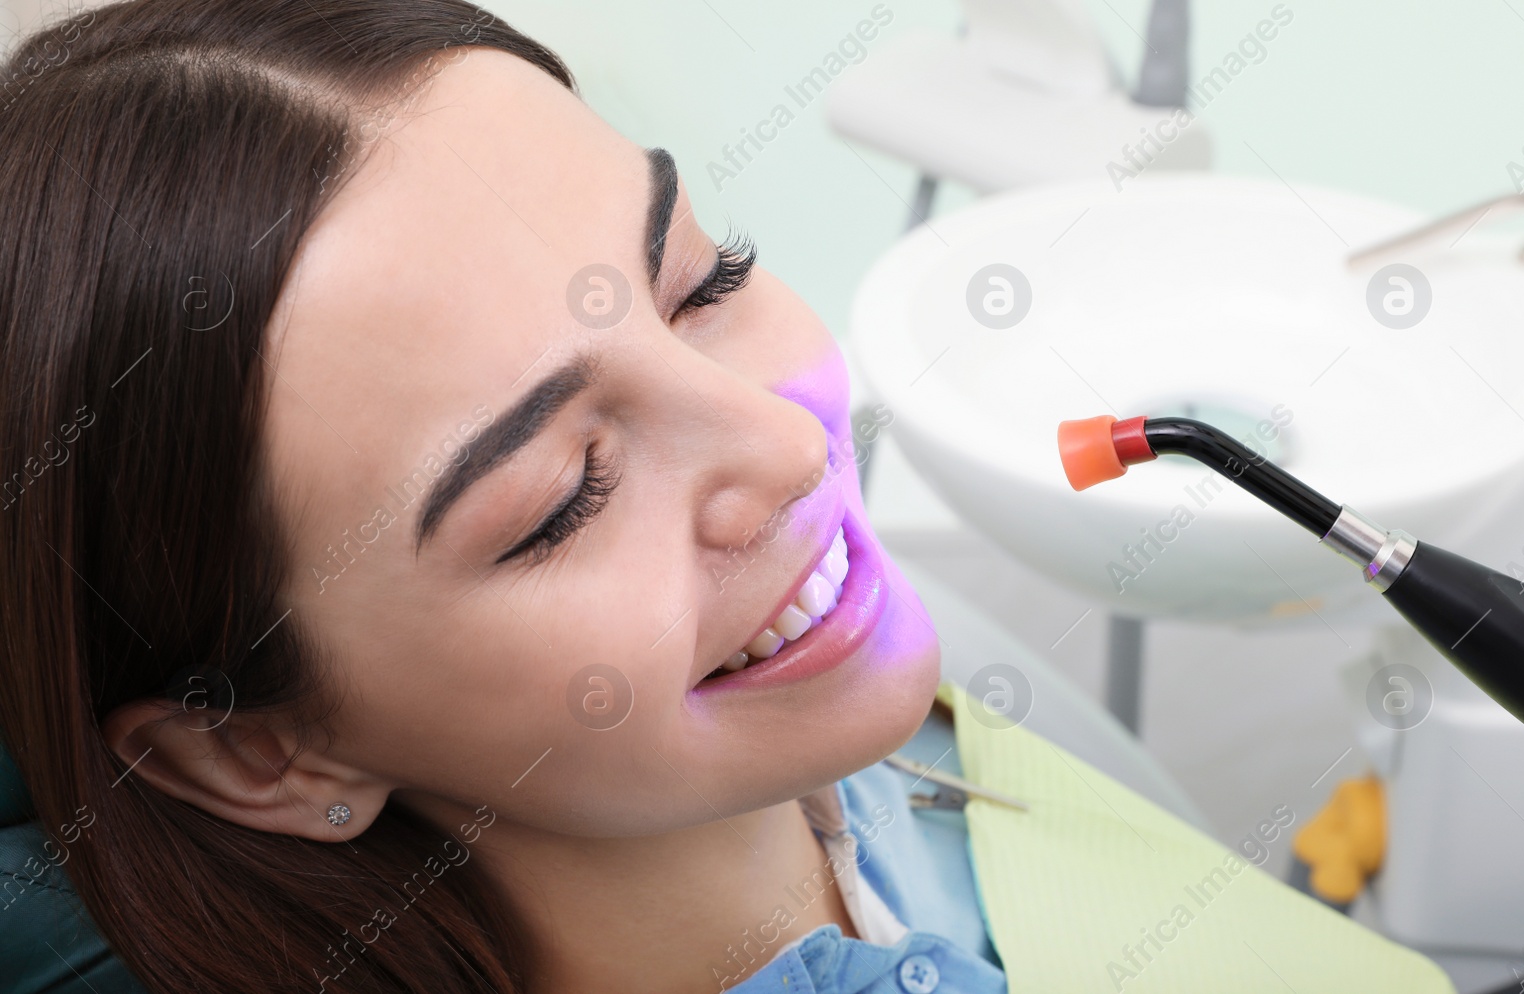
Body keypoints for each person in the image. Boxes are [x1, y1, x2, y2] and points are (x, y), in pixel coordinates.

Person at [0, 1, 975, 991]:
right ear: (255, 750)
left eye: (699, 284)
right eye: (565, 497)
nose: (791, 445)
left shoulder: (866, 734)